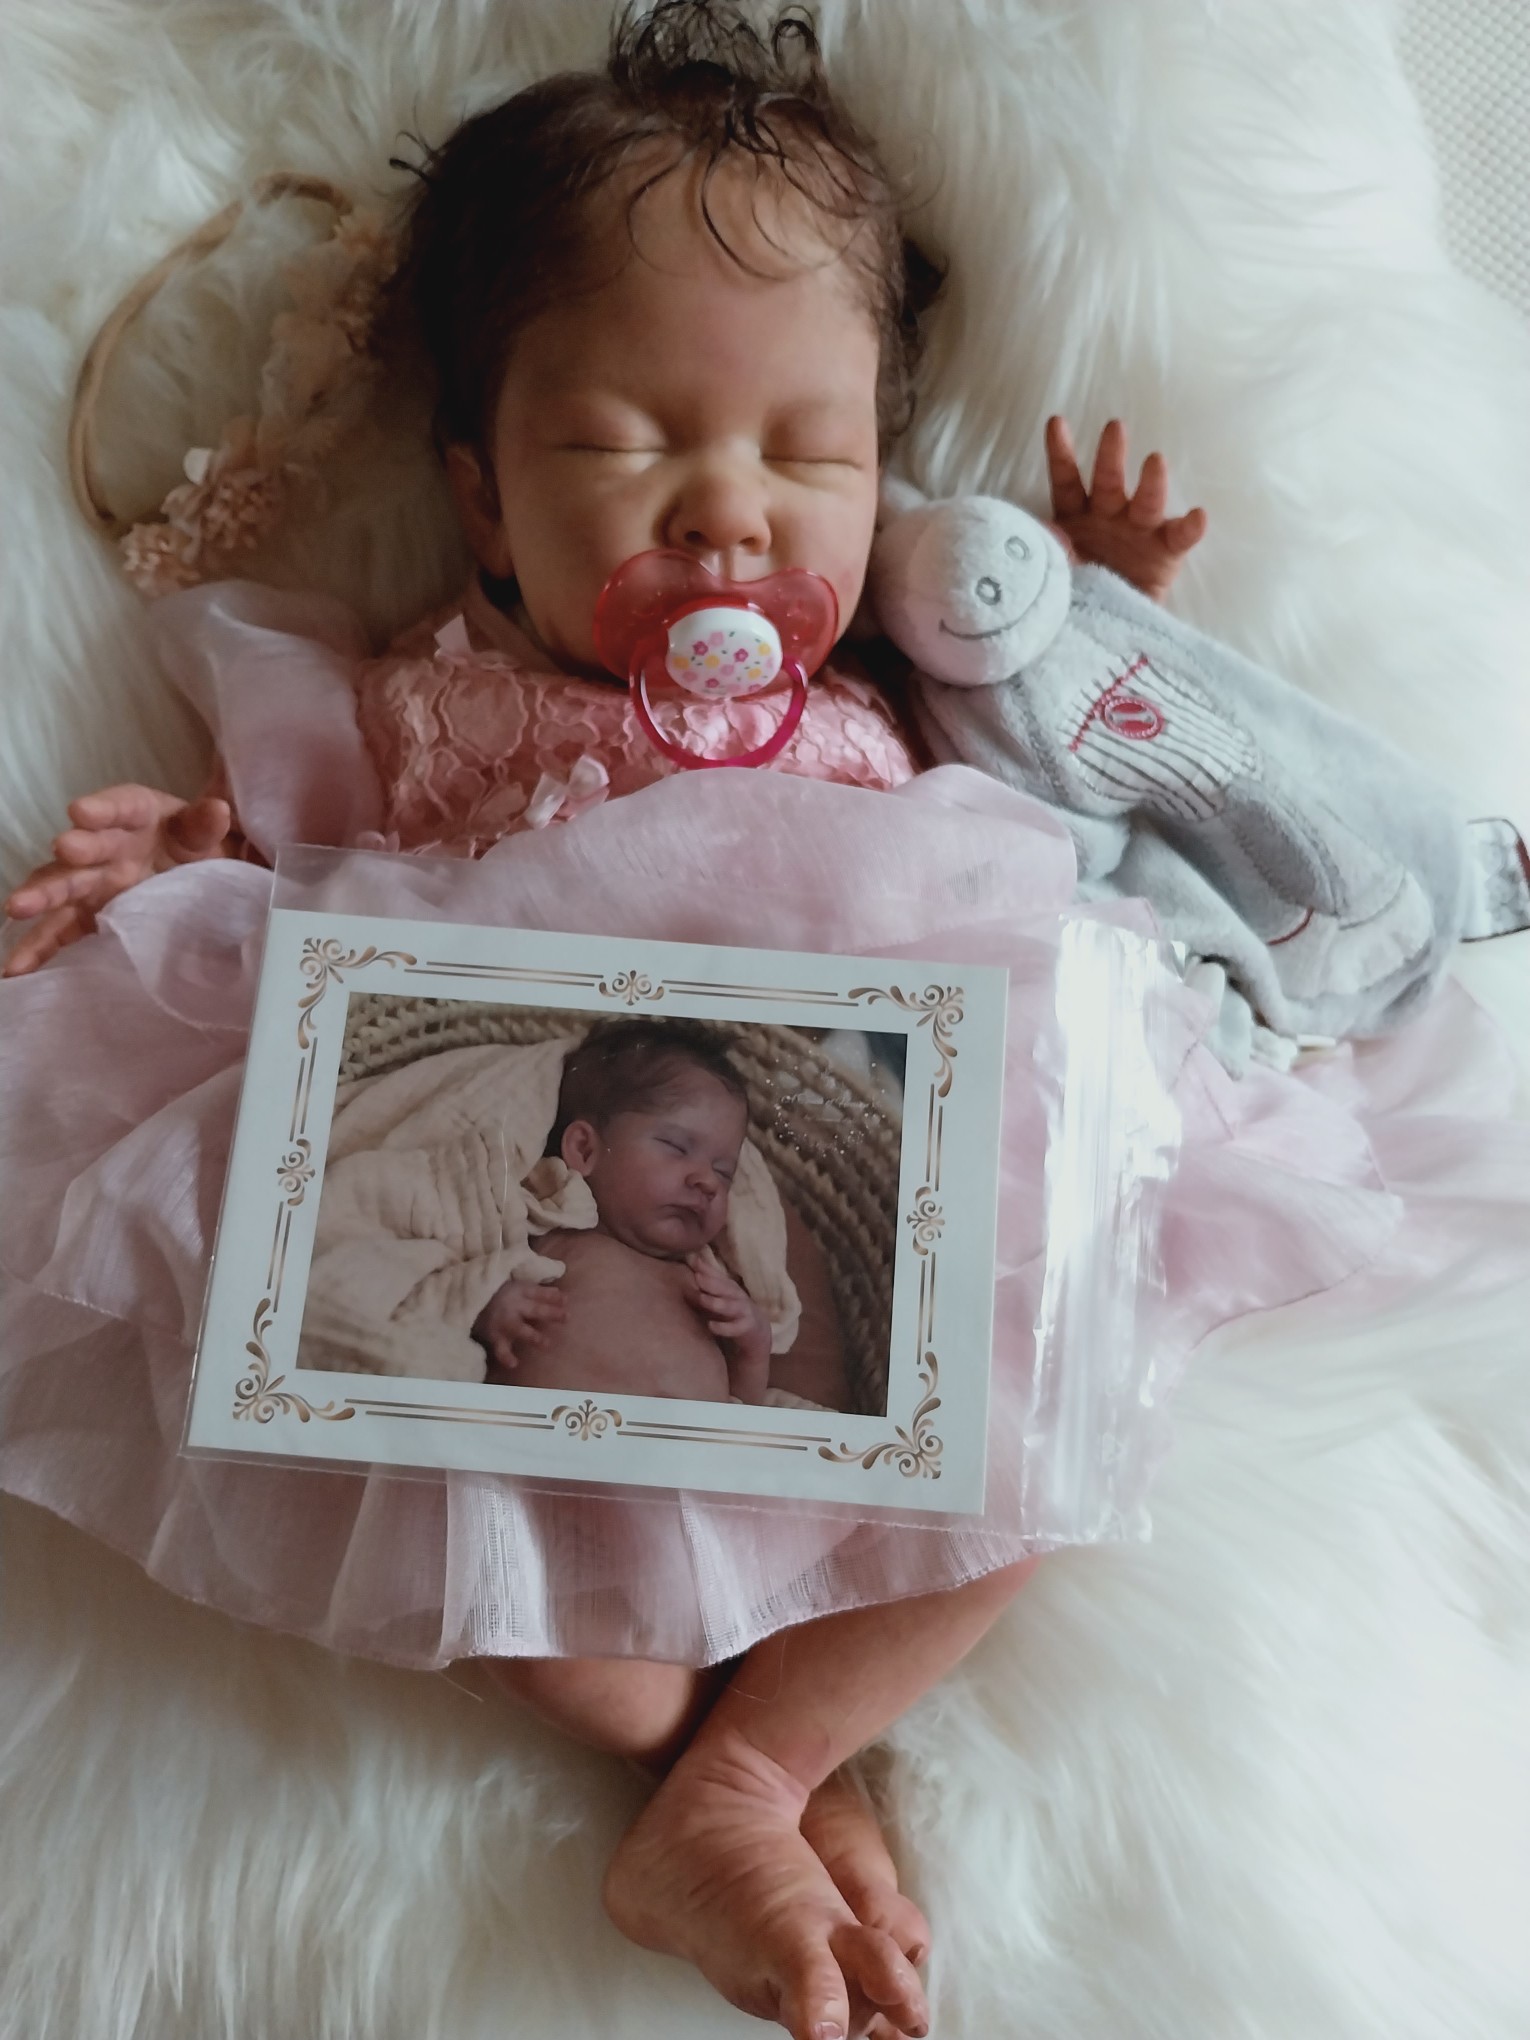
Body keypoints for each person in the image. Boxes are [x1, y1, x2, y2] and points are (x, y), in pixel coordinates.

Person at [2, 8, 1524, 2039]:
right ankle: (739, 1771)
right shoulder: (412, 694)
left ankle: (757, 1772)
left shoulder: (887, 685)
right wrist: (192, 851)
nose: (727, 515)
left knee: (1074, 1409)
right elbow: (295, 870)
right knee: (475, 1552)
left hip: (862, 1213)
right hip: (539, 1289)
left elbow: (1081, 758)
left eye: (808, 456)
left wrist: (1089, 607)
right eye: (628, 445)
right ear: (479, 502)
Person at [472, 1021, 781, 1406]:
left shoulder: (707, 1287)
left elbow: (743, 1408)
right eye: (677, 1147)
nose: (707, 1182)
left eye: (724, 1172)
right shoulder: (548, 1233)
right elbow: (450, 1290)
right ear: (585, 1150)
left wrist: (753, 1350)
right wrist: (490, 1306)